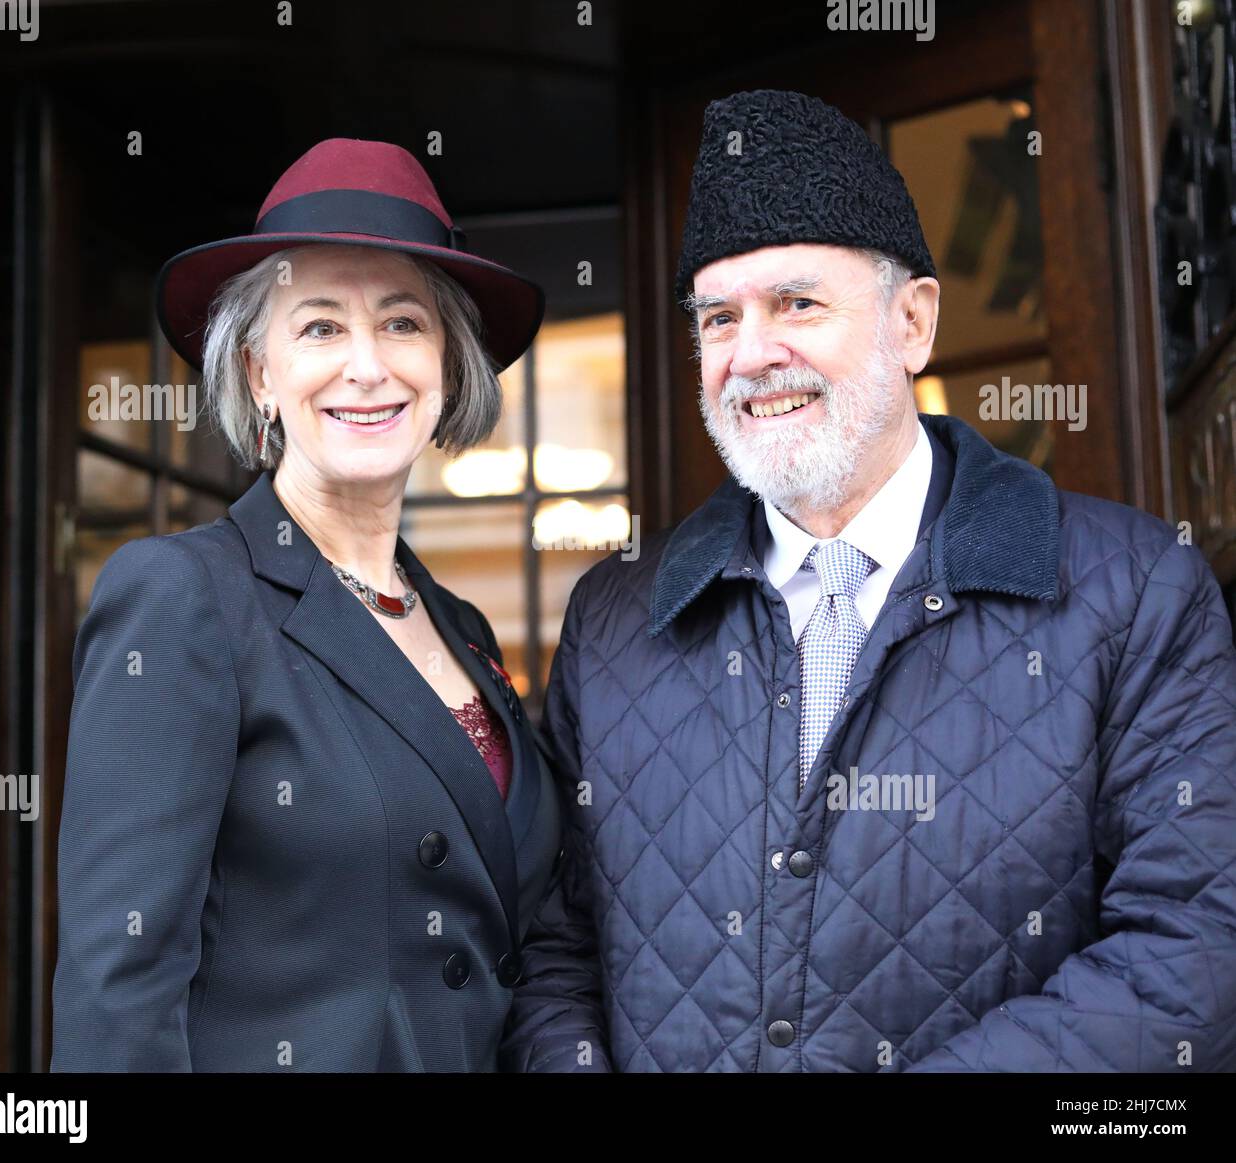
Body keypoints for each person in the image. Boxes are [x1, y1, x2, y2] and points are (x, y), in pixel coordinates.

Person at [501, 89, 1236, 1072]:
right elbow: (555, 951)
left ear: (913, 322)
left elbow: (1193, 944)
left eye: (797, 303)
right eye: (718, 316)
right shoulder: (615, 620)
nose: (752, 352)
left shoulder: (1134, 591)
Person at [51, 138, 562, 1071]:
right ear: (258, 374)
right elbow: (118, 986)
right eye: (320, 327)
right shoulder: (183, 598)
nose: (366, 366)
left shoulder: (466, 630)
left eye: (404, 323)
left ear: (447, 361)